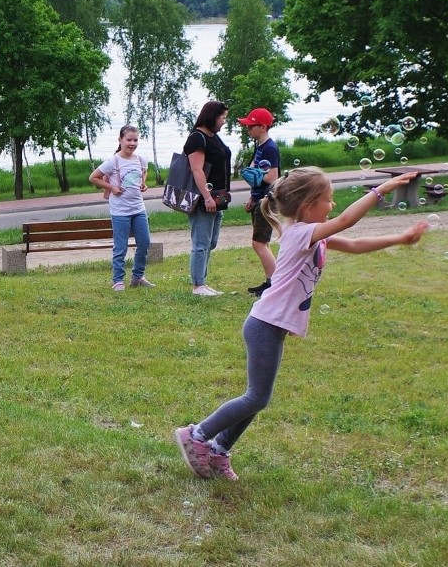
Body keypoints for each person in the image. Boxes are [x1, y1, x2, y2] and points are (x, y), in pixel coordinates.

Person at [173, 167, 429, 480]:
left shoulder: (312, 234)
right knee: (256, 396)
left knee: (259, 396)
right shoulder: (300, 233)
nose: (332, 206)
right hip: (264, 324)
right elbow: (348, 220)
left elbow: (355, 242)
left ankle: (219, 450)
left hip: (272, 325)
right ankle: (197, 436)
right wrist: (381, 190)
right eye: (328, 200)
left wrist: (401, 238)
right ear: (307, 207)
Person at [88, 124, 155, 291]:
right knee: (121, 246)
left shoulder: (141, 160)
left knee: (145, 243)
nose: (132, 143)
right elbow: (93, 177)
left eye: (135, 140)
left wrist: (143, 183)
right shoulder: (113, 161)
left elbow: (144, 171)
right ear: (120, 140)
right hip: (120, 211)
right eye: (129, 140)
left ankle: (138, 277)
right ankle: (118, 280)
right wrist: (112, 188)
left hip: (138, 208)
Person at [183, 101, 232, 296]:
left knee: (211, 242)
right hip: (204, 198)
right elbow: (196, 169)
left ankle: (202, 281)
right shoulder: (197, 138)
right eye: (223, 117)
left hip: (218, 196)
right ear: (212, 116)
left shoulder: (214, 137)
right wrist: (207, 197)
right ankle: (198, 285)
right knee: (201, 243)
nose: (224, 122)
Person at [238, 107, 280, 297]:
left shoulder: (270, 148)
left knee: (259, 243)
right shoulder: (260, 147)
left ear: (262, 127)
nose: (248, 130)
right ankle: (270, 280)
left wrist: (252, 177)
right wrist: (251, 197)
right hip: (259, 198)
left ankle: (275, 284)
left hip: (268, 199)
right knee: (262, 242)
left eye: (251, 126)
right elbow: (259, 174)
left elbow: (272, 177)